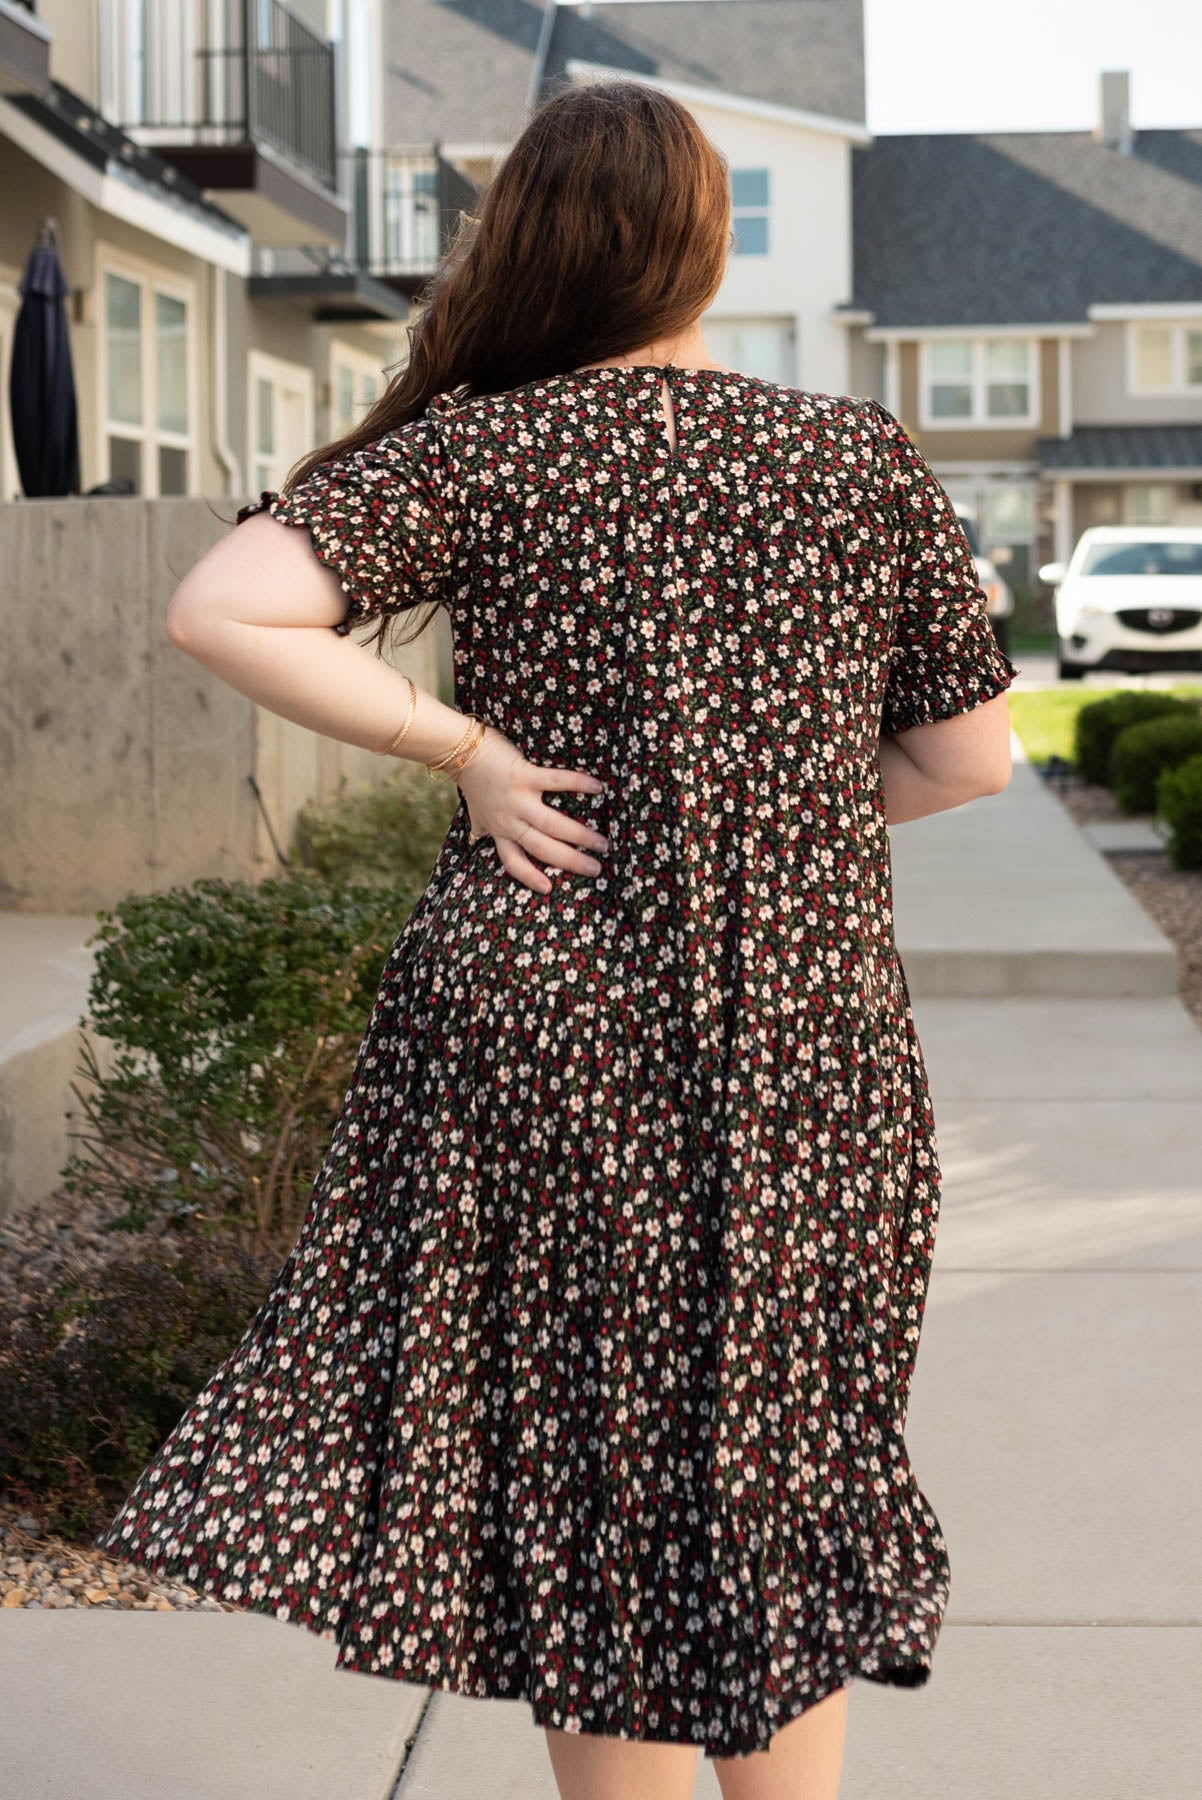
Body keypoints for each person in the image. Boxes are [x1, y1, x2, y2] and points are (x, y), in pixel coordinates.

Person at [91, 76, 1017, 1800]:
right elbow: (967, 760)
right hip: (799, 1049)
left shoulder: (492, 447)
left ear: (532, 241)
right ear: (703, 249)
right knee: (777, 1465)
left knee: (596, 1475)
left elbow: (222, 605)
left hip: (548, 1035)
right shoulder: (851, 454)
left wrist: (470, 756)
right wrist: (777, 822)